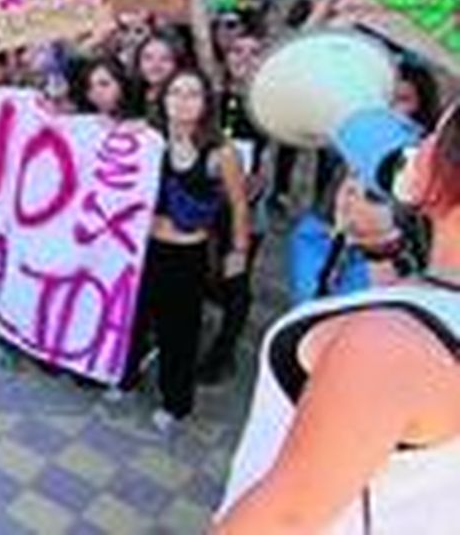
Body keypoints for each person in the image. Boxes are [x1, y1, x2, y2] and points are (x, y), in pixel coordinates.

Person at [215, 102, 460, 533]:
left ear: (446, 177)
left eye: (434, 137)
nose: (417, 145)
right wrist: (379, 249)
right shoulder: (416, 332)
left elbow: (285, 518)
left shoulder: (389, 347)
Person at [126, 69, 250, 433]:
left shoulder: (220, 152)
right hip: (142, 250)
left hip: (187, 256)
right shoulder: (148, 139)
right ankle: (125, 378)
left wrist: (238, 251)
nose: (182, 101)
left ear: (205, 103)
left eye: (192, 94)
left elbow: (239, 205)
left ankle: (175, 403)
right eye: (175, 92)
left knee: (179, 332)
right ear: (162, 99)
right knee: (133, 320)